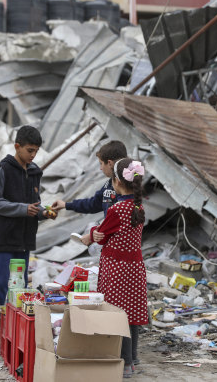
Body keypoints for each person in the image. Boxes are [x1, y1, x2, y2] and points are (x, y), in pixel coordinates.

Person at [0, 126, 56, 353]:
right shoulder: (4, 168)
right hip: (5, 237)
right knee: (1, 282)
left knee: (21, 287)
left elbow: (35, 203)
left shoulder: (35, 171)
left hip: (25, 239)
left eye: (36, 151)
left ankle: (14, 333)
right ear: (17, 147)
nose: (33, 155)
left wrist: (44, 212)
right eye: (29, 150)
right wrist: (24, 209)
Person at [89, 158, 148, 378]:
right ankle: (132, 359)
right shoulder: (138, 206)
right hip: (134, 268)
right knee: (131, 314)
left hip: (117, 270)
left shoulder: (116, 209)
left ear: (116, 182)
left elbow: (102, 235)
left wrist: (94, 233)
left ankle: (123, 364)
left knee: (118, 316)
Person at [51, 140, 127, 244]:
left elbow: (118, 219)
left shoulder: (126, 190)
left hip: (122, 246)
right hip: (110, 244)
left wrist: (92, 235)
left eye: (101, 164)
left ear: (109, 163)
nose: (100, 168)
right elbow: (94, 203)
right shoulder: (109, 185)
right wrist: (66, 205)